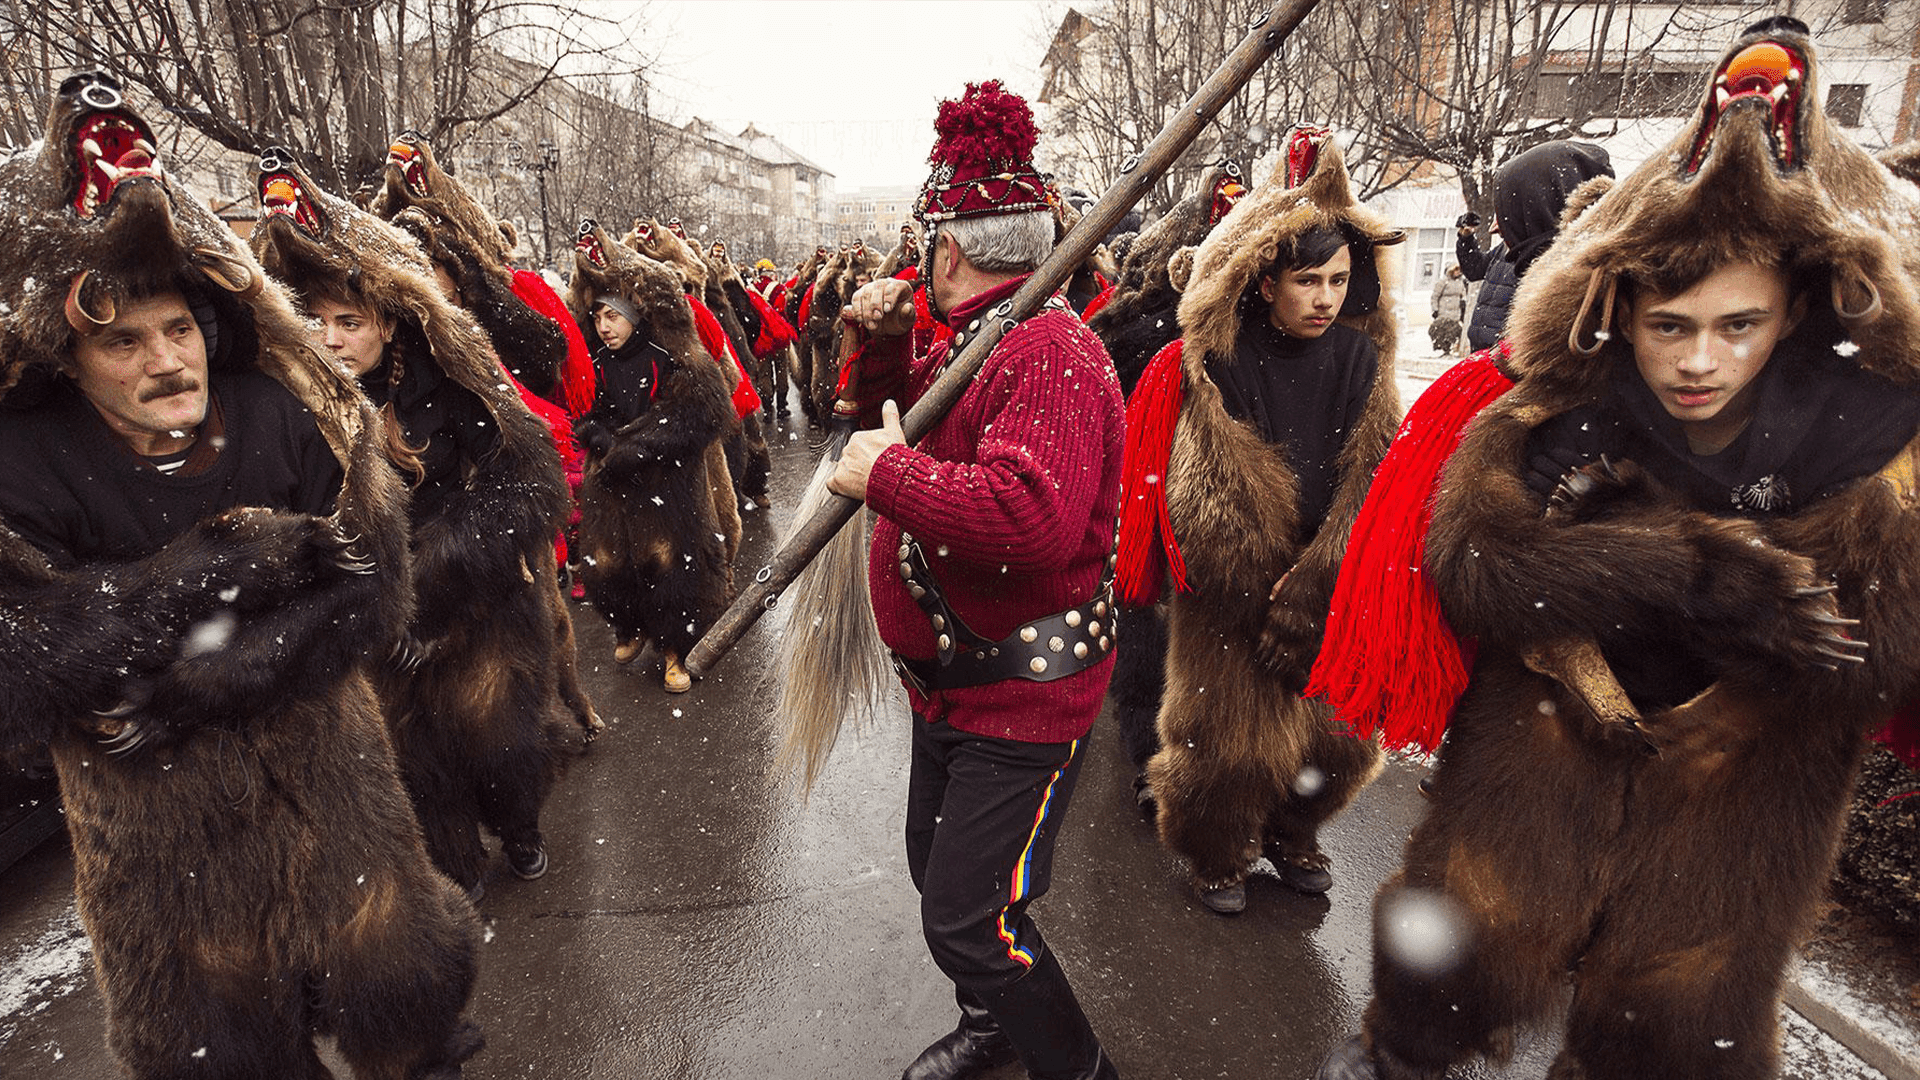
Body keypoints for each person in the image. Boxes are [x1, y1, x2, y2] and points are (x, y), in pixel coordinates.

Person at [1318, 18, 1920, 1080]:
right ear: (1620, 306)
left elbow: (1871, 657)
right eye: (1668, 325)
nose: (1698, 361)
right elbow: (1476, 567)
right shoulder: (1554, 410)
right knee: (1438, 982)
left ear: (1792, 313)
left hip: (1733, 819)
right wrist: (1684, 570)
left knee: (1669, 1036)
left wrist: (1761, 605)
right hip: (1536, 775)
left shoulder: (1881, 452)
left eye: (1737, 326)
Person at [0, 73, 481, 1078]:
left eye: (178, 332)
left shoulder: (274, 410)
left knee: (406, 1003)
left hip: (336, 792)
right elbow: (23, 658)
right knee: (222, 1055)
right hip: (165, 848)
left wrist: (216, 676)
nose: (165, 361)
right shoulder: (25, 457)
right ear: (69, 357)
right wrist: (196, 575)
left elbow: (366, 592)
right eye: (122, 342)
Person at [830, 80, 1124, 1080]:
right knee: (942, 876)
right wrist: (875, 351)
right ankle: (1000, 1028)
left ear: (946, 246)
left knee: (969, 917)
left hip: (1022, 698)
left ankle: (1080, 1070)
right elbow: (893, 421)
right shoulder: (973, 338)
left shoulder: (1050, 351)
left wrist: (892, 476)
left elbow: (1028, 518)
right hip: (953, 685)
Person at [254, 153, 585, 894]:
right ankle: (454, 862)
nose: (331, 339)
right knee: (417, 764)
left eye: (349, 322)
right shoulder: (298, 407)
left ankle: (520, 824)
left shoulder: (446, 377)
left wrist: (440, 569)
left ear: (388, 326)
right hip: (378, 630)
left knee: (501, 743)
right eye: (316, 322)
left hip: (477, 604)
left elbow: (521, 478)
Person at [1115, 127, 1400, 915]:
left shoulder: (1360, 362)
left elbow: (1374, 474)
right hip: (1236, 589)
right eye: (1307, 279)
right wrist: (1262, 588)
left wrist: (1323, 577)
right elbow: (1201, 493)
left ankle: (1292, 829)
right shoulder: (1218, 363)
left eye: (1340, 280)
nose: (1325, 298)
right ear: (1265, 280)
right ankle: (1218, 852)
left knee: (1336, 745)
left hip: (1327, 583)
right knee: (1226, 749)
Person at [1456, 141, 1612, 352]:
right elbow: (1475, 269)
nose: (1495, 228)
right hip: (1486, 358)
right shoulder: (1510, 249)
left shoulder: (1583, 283)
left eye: (1510, 212)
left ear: (1539, 208)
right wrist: (1465, 240)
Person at [1427, 263, 1465, 355]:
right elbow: (1435, 296)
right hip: (1444, 310)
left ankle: (1450, 348)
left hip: (1455, 311)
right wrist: (1435, 309)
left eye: (1459, 271)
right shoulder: (1443, 282)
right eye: (1455, 270)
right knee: (1442, 330)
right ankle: (1444, 348)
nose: (1457, 273)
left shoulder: (1461, 282)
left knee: (1453, 331)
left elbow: (1463, 294)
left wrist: (1463, 303)